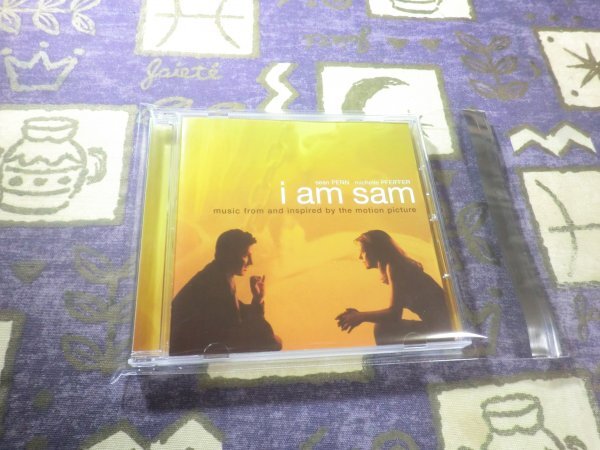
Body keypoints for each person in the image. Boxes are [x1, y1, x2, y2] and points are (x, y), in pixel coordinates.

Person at [169, 229, 282, 356]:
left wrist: (258, 298)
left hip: (192, 350)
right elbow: (235, 331)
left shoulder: (218, 274)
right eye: (245, 255)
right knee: (272, 343)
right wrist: (267, 337)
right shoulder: (216, 283)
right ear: (229, 255)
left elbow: (237, 315)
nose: (251, 262)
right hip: (186, 355)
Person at [336, 230, 452, 345]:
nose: (359, 257)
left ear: (375, 250)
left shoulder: (394, 267)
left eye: (363, 251)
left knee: (383, 328)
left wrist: (360, 317)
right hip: (443, 328)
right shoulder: (396, 266)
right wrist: (359, 316)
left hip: (445, 330)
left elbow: (394, 314)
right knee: (383, 327)